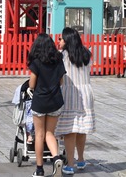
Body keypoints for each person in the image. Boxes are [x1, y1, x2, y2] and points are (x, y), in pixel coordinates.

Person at [56, 28, 96, 175]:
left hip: (70, 92)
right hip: (86, 92)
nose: (59, 42)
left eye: (61, 39)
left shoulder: (62, 56)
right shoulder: (87, 54)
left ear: (66, 41)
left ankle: (70, 164)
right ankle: (81, 159)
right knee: (82, 128)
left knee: (70, 129)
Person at [28, 34, 66, 177]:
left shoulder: (36, 62)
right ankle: (56, 157)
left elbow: (32, 84)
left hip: (40, 101)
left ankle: (39, 169)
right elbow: (61, 82)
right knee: (50, 133)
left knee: (39, 135)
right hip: (55, 101)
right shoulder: (58, 60)